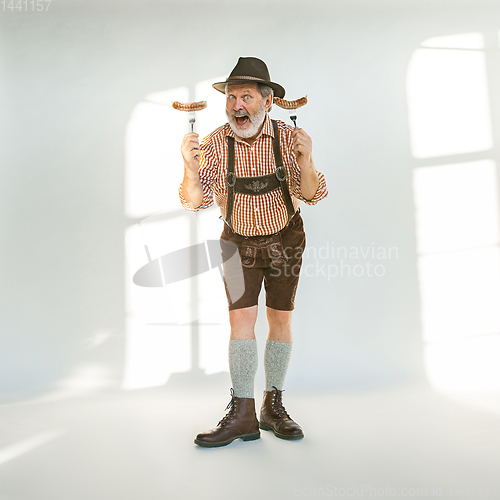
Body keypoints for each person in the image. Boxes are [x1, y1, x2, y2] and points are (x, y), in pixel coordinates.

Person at [179, 57, 328, 448]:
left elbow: (312, 194)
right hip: (236, 243)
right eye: (231, 97)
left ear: (268, 102)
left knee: (280, 319)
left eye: (246, 96)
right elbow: (194, 202)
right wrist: (190, 168)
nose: (236, 105)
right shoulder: (213, 143)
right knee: (240, 323)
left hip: (285, 239)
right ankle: (242, 412)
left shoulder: (286, 137)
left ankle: (272, 405)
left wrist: (307, 160)